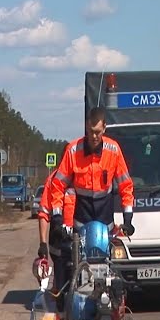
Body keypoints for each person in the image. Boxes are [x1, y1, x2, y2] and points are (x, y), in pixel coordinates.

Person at [49, 106, 135, 238]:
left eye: (98, 132)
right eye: (91, 131)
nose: (94, 136)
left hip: (105, 216)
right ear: (86, 127)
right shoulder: (73, 151)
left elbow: (126, 186)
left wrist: (128, 218)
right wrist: (57, 217)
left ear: (104, 128)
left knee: (107, 255)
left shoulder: (113, 150)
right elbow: (57, 185)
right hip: (81, 216)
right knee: (78, 255)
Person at [36, 169, 76, 307]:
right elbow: (44, 212)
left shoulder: (85, 174)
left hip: (82, 242)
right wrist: (43, 244)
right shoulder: (54, 179)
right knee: (61, 292)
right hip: (59, 246)